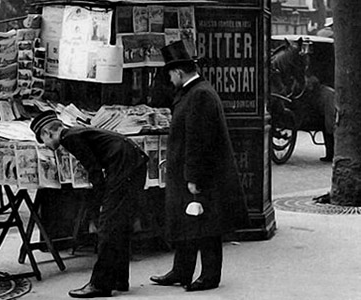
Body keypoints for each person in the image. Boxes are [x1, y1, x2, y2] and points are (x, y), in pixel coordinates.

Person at [150, 39, 249, 292]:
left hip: (200, 174)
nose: (170, 80)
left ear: (179, 72)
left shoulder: (199, 95)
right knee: (187, 222)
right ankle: (181, 270)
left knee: (206, 226)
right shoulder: (194, 92)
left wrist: (194, 177)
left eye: (170, 74)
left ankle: (209, 276)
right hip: (188, 172)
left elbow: (199, 141)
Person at [30, 110, 148, 298]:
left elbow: (94, 170)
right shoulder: (75, 133)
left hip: (124, 167)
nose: (46, 145)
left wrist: (100, 202)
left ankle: (100, 284)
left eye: (43, 140)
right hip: (132, 163)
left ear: (47, 133)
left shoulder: (69, 138)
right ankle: (119, 279)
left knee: (108, 228)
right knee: (120, 225)